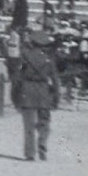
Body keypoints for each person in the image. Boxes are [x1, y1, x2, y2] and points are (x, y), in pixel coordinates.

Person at [12, 31, 61, 161]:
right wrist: (56, 97)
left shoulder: (24, 56)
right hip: (44, 91)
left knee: (28, 124)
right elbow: (55, 80)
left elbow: (17, 78)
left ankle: (30, 153)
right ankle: (42, 146)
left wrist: (14, 96)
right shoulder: (49, 59)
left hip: (27, 91)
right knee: (44, 122)